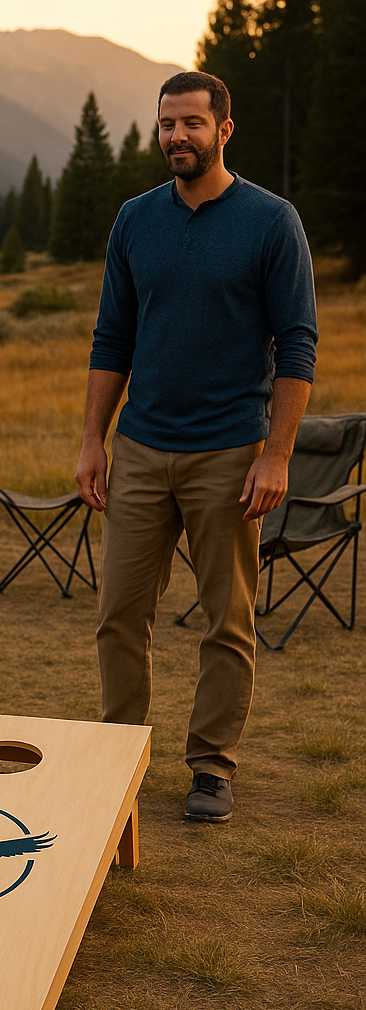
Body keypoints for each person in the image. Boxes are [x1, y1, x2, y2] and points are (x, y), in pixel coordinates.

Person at [75, 70, 317, 824]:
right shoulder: (134, 221)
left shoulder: (272, 223)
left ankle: (211, 768)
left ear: (224, 130)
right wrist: (93, 439)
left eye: (191, 124)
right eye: (166, 125)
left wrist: (275, 454)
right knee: (119, 613)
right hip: (142, 447)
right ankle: (118, 758)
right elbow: (113, 336)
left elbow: (298, 344)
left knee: (228, 618)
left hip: (228, 454)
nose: (176, 136)